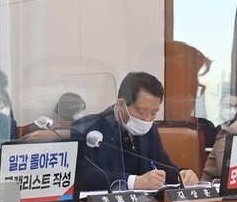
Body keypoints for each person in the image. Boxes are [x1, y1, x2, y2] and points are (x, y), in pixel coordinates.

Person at [71, 72, 199, 191]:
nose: (147, 119)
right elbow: (82, 176)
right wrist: (134, 182)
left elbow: (163, 166)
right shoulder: (88, 128)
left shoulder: (150, 130)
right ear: (121, 104)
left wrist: (181, 174)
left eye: (153, 113)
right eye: (141, 112)